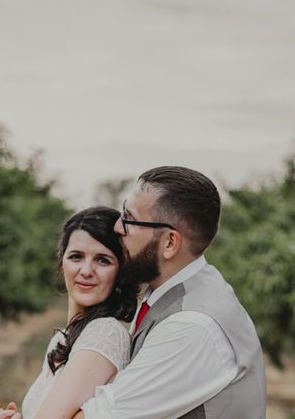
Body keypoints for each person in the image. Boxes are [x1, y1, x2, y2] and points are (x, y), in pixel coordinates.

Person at [73, 166, 266, 419]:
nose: (117, 227)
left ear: (170, 243)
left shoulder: (191, 327)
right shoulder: (174, 293)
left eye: (129, 218)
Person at [0, 206, 139, 419]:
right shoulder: (63, 338)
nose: (86, 271)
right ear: (62, 264)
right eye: (76, 257)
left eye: (103, 260)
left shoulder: (104, 334)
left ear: (119, 272)